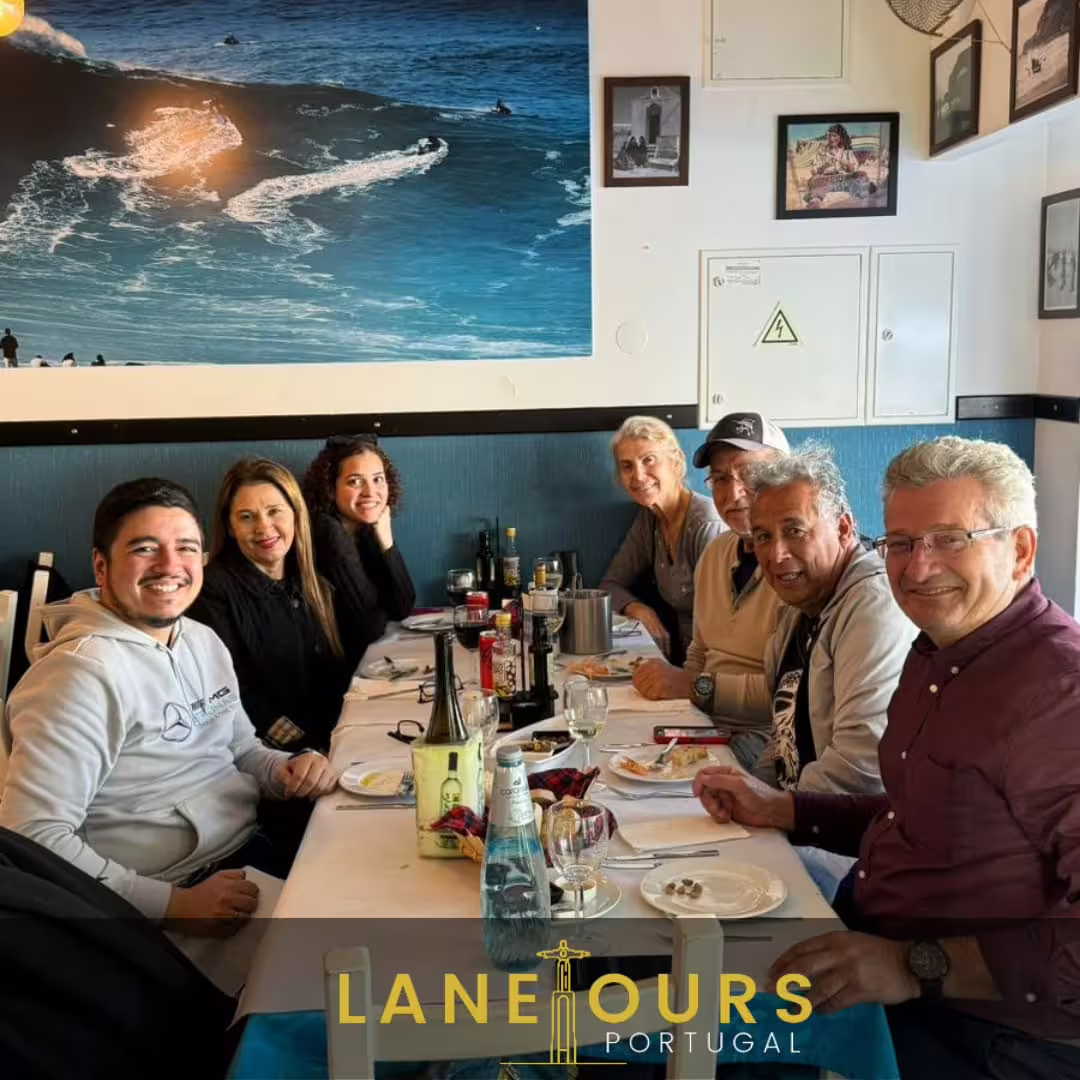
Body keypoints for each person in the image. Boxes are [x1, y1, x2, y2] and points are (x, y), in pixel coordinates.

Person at [694, 436, 1080, 1078]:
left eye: (951, 539)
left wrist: (914, 965)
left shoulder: (1058, 695)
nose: (918, 568)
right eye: (900, 543)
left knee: (659, 1037)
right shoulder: (938, 651)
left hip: (981, 1028)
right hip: (875, 937)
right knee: (646, 977)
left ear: (1020, 550)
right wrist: (789, 809)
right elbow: (916, 812)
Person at [0, 478, 338, 937]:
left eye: (185, 548)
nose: (170, 566)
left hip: (252, 850)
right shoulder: (77, 675)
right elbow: (32, 838)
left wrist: (288, 770)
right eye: (144, 548)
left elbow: (241, 748)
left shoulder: (200, 638)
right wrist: (173, 905)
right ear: (101, 566)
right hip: (168, 892)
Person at [708, 444, 912, 792]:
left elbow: (859, 771)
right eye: (763, 537)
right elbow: (783, 738)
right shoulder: (799, 608)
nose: (776, 554)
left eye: (795, 531)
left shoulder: (873, 608)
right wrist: (752, 793)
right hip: (796, 819)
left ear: (844, 529)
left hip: (837, 838)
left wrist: (771, 812)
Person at [632, 412, 788, 770]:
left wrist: (692, 687)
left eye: (749, 473)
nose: (733, 493)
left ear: (786, 475)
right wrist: (680, 708)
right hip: (709, 723)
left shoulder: (795, 568)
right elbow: (700, 653)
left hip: (767, 736)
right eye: (720, 478)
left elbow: (788, 693)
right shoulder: (717, 553)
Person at [188, 458, 351, 754]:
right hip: (269, 757)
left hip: (330, 737)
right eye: (247, 517)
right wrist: (308, 750)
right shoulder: (212, 589)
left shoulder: (307, 577)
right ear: (231, 527)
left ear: (295, 515)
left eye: (274, 511)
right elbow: (232, 693)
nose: (264, 527)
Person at [600, 416, 725, 666]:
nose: (638, 476)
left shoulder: (706, 524)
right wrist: (638, 609)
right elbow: (610, 586)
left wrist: (685, 680)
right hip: (677, 659)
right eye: (627, 466)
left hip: (712, 666)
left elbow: (719, 624)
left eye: (648, 460)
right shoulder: (650, 518)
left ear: (676, 462)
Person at [303, 434, 416, 670]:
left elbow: (402, 606)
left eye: (377, 479)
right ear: (330, 490)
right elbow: (369, 627)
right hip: (330, 678)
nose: (370, 492)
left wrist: (386, 539)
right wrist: (379, 608)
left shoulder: (362, 529)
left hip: (360, 663)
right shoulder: (328, 533)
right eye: (355, 481)